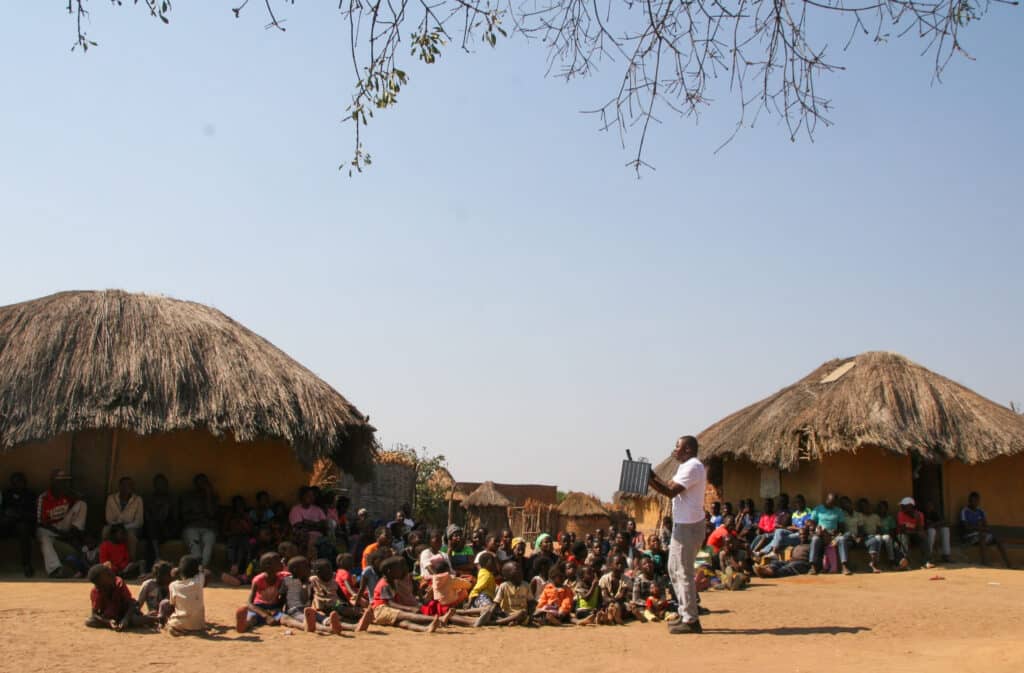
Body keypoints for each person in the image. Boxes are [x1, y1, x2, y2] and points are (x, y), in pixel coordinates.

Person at [648, 435, 707, 634]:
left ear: (688, 449)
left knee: (684, 573)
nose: (674, 450)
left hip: (689, 527)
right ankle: (685, 613)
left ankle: (691, 619)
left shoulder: (693, 466)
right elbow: (667, 486)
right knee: (674, 569)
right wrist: (651, 476)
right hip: (682, 527)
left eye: (678, 447)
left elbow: (670, 491)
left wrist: (648, 477)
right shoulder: (685, 467)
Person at [37, 468, 88, 578]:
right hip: (49, 529)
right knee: (44, 537)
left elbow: (81, 501)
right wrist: (60, 533)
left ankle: (74, 533)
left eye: (65, 481)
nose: (64, 483)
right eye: (60, 481)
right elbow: (40, 523)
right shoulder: (44, 497)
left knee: (82, 504)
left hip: (64, 526)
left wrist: (74, 495)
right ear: (53, 482)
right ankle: (55, 569)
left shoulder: (68, 495)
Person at [373, 556, 441, 632]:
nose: (402, 571)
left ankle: (426, 629)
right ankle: (439, 619)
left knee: (404, 623)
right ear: (389, 571)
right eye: (398, 569)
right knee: (407, 615)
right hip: (382, 610)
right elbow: (389, 603)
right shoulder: (384, 585)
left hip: (388, 611)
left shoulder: (393, 582)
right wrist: (409, 608)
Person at [85, 563, 157, 631]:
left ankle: (154, 619)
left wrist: (125, 619)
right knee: (89, 621)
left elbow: (131, 605)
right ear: (100, 583)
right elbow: (94, 614)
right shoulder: (96, 592)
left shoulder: (119, 583)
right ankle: (125, 623)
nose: (111, 574)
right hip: (109, 617)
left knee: (134, 619)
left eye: (110, 573)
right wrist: (108, 622)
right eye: (108, 575)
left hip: (125, 613)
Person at [236, 552, 288, 632]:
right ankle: (244, 625)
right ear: (268, 566)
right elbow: (249, 603)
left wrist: (277, 609)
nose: (281, 562)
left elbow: (295, 573)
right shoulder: (258, 580)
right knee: (252, 618)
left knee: (285, 618)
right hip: (258, 608)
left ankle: (304, 625)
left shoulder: (282, 576)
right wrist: (266, 616)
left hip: (273, 609)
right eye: (277, 561)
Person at [959, 491, 1012, 568]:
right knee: (982, 536)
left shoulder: (981, 511)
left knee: (997, 538)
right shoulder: (964, 511)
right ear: (969, 501)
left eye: (976, 501)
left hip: (981, 533)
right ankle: (985, 563)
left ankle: (1009, 564)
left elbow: (986, 527)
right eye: (972, 501)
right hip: (969, 537)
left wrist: (980, 528)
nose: (974, 503)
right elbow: (966, 527)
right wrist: (978, 528)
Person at [178, 474, 218, 569]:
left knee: (208, 547)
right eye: (200, 482)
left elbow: (211, 514)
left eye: (205, 482)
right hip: (191, 527)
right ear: (195, 484)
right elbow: (185, 516)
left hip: (208, 528)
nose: (202, 485)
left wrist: (208, 495)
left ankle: (201, 568)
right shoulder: (188, 496)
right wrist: (200, 516)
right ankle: (198, 568)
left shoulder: (213, 497)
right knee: (196, 551)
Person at [1, 472, 37, 577]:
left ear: (25, 483)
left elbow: (33, 515)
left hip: (23, 525)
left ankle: (26, 564)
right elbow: (3, 511)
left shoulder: (30, 494)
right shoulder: (7, 494)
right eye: (15, 482)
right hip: (8, 525)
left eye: (20, 481)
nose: (18, 484)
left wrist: (18, 515)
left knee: (23, 528)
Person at [536, 561, 594, 625]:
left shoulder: (566, 589)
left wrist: (562, 611)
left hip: (561, 613)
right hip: (549, 610)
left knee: (568, 617)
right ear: (553, 577)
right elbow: (543, 600)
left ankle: (579, 621)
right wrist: (540, 608)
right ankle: (552, 620)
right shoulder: (548, 588)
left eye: (563, 577)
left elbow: (567, 601)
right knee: (542, 614)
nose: (562, 578)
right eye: (560, 577)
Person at [808, 492, 852, 575]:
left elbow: (842, 526)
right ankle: (813, 567)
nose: (831, 504)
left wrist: (837, 532)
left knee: (842, 539)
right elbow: (812, 522)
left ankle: (844, 566)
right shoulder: (818, 509)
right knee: (815, 539)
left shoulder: (838, 511)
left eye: (833, 503)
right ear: (826, 499)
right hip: (821, 535)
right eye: (829, 501)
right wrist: (817, 529)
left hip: (833, 535)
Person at [103, 477, 144, 564]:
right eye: (124, 485)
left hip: (131, 527)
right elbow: (108, 518)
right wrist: (117, 527)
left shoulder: (137, 500)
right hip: (114, 526)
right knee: (105, 531)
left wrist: (124, 527)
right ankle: (106, 561)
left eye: (129, 485)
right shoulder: (111, 499)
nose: (127, 487)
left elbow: (139, 521)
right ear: (120, 486)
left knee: (131, 536)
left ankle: (130, 562)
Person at [166, 554, 207, 635]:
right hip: (198, 625)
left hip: (181, 624)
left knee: (167, 608)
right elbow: (201, 571)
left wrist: (178, 570)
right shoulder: (198, 582)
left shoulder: (173, 585)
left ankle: (177, 628)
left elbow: (172, 603)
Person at [143, 473, 177, 566]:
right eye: (158, 484)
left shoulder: (171, 499)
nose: (160, 486)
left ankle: (155, 560)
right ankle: (156, 559)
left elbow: (173, 517)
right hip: (152, 528)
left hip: (168, 528)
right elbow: (147, 515)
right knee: (151, 530)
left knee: (152, 534)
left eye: (162, 484)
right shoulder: (150, 498)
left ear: (166, 485)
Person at [222, 495, 254, 585]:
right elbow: (224, 531)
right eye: (237, 505)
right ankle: (233, 567)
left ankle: (240, 571)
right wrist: (233, 532)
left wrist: (243, 520)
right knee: (232, 547)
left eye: (241, 504)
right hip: (232, 537)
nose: (239, 507)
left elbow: (250, 530)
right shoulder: (229, 515)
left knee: (243, 548)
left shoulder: (246, 515)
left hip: (245, 537)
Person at [851, 498, 889, 573]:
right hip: (866, 536)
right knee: (874, 540)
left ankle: (883, 561)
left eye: (866, 506)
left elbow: (878, 529)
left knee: (879, 538)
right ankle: (875, 563)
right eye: (862, 506)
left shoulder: (875, 516)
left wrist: (878, 534)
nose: (865, 508)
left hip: (874, 535)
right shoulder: (860, 516)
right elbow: (861, 529)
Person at [896, 497, 934, 569]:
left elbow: (921, 530)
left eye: (904, 506)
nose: (902, 507)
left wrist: (918, 519)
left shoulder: (920, 514)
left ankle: (926, 561)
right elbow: (903, 529)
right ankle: (906, 562)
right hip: (903, 534)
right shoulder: (900, 514)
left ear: (911, 506)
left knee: (924, 537)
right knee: (904, 537)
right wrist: (914, 531)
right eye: (902, 506)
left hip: (914, 534)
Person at [494, 560, 531, 625]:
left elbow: (531, 601)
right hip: (507, 614)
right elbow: (497, 602)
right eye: (516, 570)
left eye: (520, 570)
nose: (520, 572)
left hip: (522, 614)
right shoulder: (504, 586)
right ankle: (500, 622)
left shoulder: (526, 585)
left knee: (523, 613)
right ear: (508, 575)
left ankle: (510, 621)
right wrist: (495, 610)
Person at [137, 560, 173, 625]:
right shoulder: (148, 585)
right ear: (157, 575)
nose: (168, 577)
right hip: (153, 616)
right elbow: (138, 604)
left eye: (169, 575)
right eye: (165, 575)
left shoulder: (173, 585)